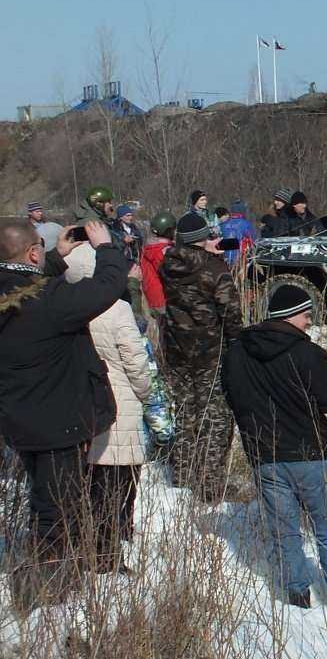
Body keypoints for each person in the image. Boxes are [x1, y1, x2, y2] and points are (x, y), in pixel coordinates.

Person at [0, 217, 127, 602]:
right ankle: (47, 596)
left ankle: (48, 582)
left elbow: (23, 287)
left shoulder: (23, 295)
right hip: (57, 423)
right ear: (32, 252)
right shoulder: (51, 301)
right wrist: (106, 248)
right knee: (56, 512)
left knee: (43, 499)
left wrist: (56, 257)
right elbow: (107, 288)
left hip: (18, 420)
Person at [223, 283, 327, 610]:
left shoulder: (237, 352)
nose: (309, 322)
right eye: (307, 315)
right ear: (292, 315)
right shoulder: (306, 353)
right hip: (309, 455)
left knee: (284, 534)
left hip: (265, 457)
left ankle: (297, 599)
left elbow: (233, 399)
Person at [62, 242, 150, 573]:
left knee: (88, 484)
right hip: (119, 402)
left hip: (79, 403)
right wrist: (144, 393)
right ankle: (108, 556)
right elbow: (135, 361)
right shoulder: (116, 309)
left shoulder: (66, 309)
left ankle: (85, 548)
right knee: (116, 488)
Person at [160, 212, 243, 498]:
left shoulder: (168, 264)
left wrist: (202, 251)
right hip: (210, 351)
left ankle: (182, 474)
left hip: (176, 348)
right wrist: (238, 345)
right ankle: (209, 484)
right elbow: (231, 312)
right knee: (214, 415)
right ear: (204, 239)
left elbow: (187, 262)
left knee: (185, 410)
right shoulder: (215, 268)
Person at [141, 211, 175, 344]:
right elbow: (169, 275)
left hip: (152, 296)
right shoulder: (163, 251)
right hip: (162, 297)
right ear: (169, 231)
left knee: (159, 329)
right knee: (166, 332)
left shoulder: (149, 248)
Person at [220, 201, 258, 268]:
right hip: (240, 260)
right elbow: (254, 241)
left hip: (224, 260)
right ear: (243, 211)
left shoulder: (222, 224)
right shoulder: (246, 224)